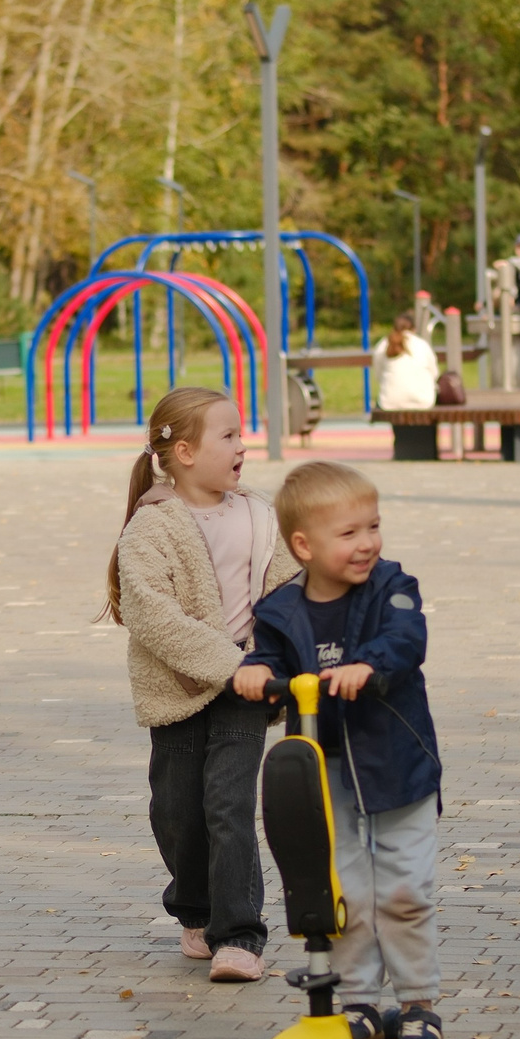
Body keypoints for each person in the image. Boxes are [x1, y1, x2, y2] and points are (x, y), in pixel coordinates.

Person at [237, 461, 447, 1039]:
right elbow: (266, 655)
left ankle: (416, 1006)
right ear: (304, 545)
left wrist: (370, 664)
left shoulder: (391, 587)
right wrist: (255, 672)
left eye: (373, 527)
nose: (367, 544)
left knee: (404, 892)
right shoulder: (280, 610)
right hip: (326, 778)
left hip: (399, 770)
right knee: (345, 894)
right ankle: (357, 1002)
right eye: (349, 533)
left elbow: (407, 638)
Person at [109, 386, 299, 984]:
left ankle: (240, 935)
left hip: (246, 688)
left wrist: (274, 660)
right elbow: (150, 610)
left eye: (242, 435)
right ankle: (194, 907)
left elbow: (290, 588)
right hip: (178, 689)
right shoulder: (152, 527)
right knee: (178, 812)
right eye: (229, 436)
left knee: (228, 806)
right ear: (185, 452)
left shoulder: (260, 515)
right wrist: (225, 661)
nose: (243, 446)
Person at [370, 312, 442, 411]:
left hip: (390, 402)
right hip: (423, 401)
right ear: (414, 329)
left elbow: (379, 376)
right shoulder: (421, 344)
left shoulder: (383, 345)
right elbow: (434, 373)